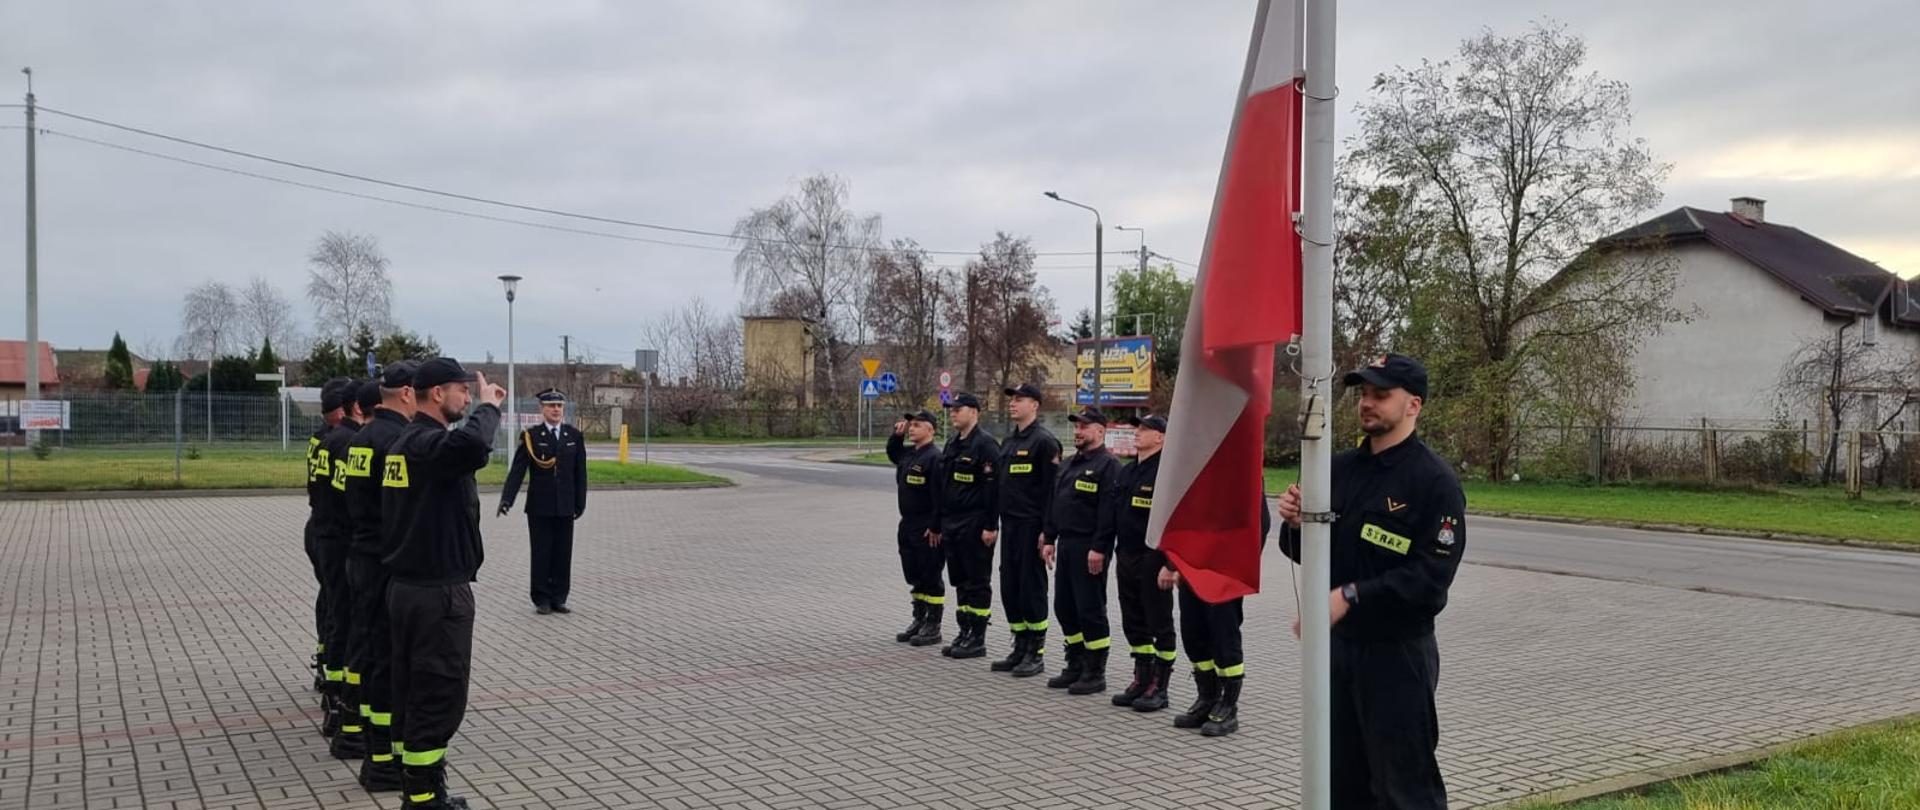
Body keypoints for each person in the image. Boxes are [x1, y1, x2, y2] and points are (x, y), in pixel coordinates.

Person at [1278, 353, 1465, 809]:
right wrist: (1296, 525)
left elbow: (1430, 579)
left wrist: (1352, 595)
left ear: (1413, 405)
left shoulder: (1433, 482)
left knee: (1404, 789)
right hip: (1339, 651)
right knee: (1341, 781)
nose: (1368, 403)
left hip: (1396, 656)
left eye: (1382, 395)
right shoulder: (1337, 470)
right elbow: (1304, 553)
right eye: (1364, 394)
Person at [382, 358, 505, 810]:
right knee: (438, 694)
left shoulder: (404, 446)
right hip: (436, 594)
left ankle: (424, 789)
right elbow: (473, 447)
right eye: (463, 390)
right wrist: (490, 408)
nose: (469, 397)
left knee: (415, 691)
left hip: (407, 589)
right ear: (437, 393)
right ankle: (423, 799)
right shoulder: (425, 447)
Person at [342, 362, 418, 792]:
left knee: (372, 656)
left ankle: (375, 752)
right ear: (407, 393)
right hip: (385, 562)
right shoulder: (395, 442)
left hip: (360, 553)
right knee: (389, 662)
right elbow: (400, 510)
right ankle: (386, 760)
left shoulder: (362, 438)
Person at [1164, 491, 1270, 737]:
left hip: (1226, 572)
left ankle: (1228, 706)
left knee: (1224, 638)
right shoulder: (1202, 478)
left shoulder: (1244, 477)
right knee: (1194, 634)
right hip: (1194, 569)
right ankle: (1207, 698)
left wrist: (1239, 567)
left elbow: (1259, 525)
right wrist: (1177, 564)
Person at [1039, 407, 1122, 695]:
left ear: (1100, 431)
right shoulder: (1069, 464)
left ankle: (1095, 670)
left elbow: (1108, 513)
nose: (1078, 431)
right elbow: (1053, 501)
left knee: (1090, 609)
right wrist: (1049, 537)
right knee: (1065, 606)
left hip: (1090, 547)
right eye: (1076, 426)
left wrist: (1100, 548)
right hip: (1067, 544)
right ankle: (1075, 663)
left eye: (1085, 427)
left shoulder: (1108, 466)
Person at [990, 383, 1061, 677]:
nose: (1013, 404)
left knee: (1032, 588)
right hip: (1011, 525)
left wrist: (1048, 531)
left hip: (1032, 526)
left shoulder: (1044, 443)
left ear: (1035, 405)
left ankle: (1036, 651)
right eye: (1011, 400)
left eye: (1020, 399)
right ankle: (1019, 645)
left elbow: (1052, 492)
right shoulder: (1008, 441)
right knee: (1011, 586)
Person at [498, 388, 588, 615]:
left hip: (565, 505)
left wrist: (580, 502)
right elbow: (518, 471)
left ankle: (559, 597)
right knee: (541, 552)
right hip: (540, 506)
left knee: (562, 553)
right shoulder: (532, 436)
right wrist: (507, 499)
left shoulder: (573, 436)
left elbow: (580, 473)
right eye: (551, 406)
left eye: (559, 406)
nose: (556, 410)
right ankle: (541, 598)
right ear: (542, 409)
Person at [318, 379, 370, 758]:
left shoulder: (330, 439)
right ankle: (342, 707)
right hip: (344, 541)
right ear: (356, 408)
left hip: (327, 534)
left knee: (336, 615)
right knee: (347, 624)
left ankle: (335, 701)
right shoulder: (348, 443)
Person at [1110, 414, 1176, 712]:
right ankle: (1142, 677)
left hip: (1153, 557)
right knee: (1133, 619)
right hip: (1127, 554)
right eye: (1137, 428)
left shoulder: (1166, 473)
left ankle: (1160, 687)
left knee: (1158, 621)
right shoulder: (1128, 472)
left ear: (1160, 437)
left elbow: (1172, 524)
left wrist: (1168, 563)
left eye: (1145, 429)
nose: (1138, 433)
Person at [935, 392, 999, 660]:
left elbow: (993, 489)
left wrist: (990, 525)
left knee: (977, 581)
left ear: (974, 412)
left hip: (975, 522)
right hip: (953, 522)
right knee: (960, 580)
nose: (953, 413)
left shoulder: (985, 445)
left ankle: (978, 637)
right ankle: (964, 632)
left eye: (958, 409)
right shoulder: (952, 443)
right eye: (951, 409)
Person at [306, 377, 354, 698]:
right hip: (335, 532)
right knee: (339, 606)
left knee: (330, 599)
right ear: (340, 411)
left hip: (320, 528)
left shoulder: (320, 440)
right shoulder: (340, 442)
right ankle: (335, 679)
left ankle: (326, 660)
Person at [885, 409, 946, 647]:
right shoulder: (910, 454)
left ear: (930, 429)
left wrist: (935, 526)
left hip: (926, 526)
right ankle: (919, 619)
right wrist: (896, 436)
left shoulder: (935, 458)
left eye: (917, 425)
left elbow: (940, 496)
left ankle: (933, 624)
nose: (912, 428)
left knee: (931, 574)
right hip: (908, 523)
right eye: (910, 425)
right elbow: (894, 454)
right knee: (914, 574)